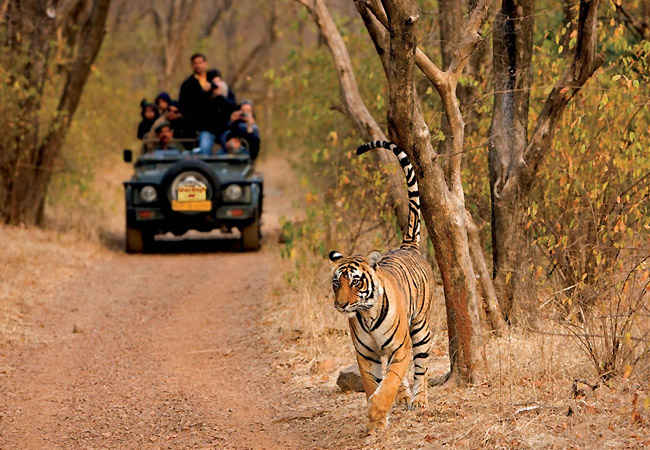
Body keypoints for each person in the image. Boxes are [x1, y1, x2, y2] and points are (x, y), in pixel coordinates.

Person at [179, 53, 215, 154]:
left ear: (205, 64)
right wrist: (203, 93)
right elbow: (184, 106)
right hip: (195, 127)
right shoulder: (187, 84)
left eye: (200, 62)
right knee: (203, 151)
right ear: (192, 66)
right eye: (195, 63)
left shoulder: (214, 80)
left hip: (214, 125)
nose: (198, 65)